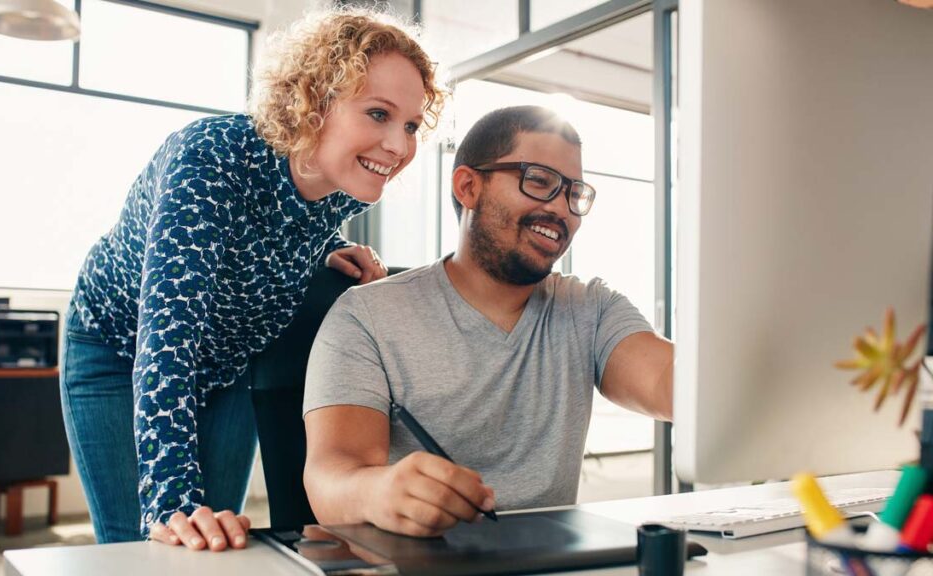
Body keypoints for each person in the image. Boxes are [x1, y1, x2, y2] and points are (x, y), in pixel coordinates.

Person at [59, 7, 446, 550]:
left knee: (217, 544)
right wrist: (171, 501)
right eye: (378, 114)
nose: (400, 146)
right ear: (312, 100)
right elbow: (168, 337)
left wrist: (325, 250)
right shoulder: (209, 160)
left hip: (228, 365)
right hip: (121, 354)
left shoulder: (336, 186)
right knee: (149, 545)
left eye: (409, 125)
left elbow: (266, 229)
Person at [302, 105, 673, 537]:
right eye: (539, 181)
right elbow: (332, 477)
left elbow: (670, 381)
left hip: (548, 566)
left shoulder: (591, 308)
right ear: (468, 186)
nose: (562, 210)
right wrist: (379, 490)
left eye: (574, 194)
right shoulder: (365, 316)